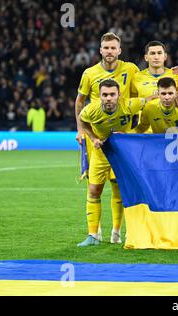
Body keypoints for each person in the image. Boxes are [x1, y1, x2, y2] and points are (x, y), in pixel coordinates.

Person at [74, 32, 139, 244]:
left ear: (119, 50)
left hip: (122, 138)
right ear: (100, 50)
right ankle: (94, 233)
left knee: (119, 185)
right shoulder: (90, 73)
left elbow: (144, 91)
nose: (109, 51)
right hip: (98, 139)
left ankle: (116, 233)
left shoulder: (130, 69)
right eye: (106, 48)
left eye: (113, 48)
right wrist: (81, 130)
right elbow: (80, 101)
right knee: (95, 186)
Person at [77, 79, 147, 246]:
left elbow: (150, 100)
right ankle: (93, 235)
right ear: (100, 96)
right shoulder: (91, 110)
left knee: (118, 189)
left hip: (120, 154)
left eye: (112, 94)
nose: (108, 98)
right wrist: (93, 137)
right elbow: (82, 120)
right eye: (105, 95)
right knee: (94, 190)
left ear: (119, 95)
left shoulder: (129, 105)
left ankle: (116, 232)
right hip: (100, 154)